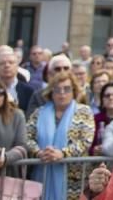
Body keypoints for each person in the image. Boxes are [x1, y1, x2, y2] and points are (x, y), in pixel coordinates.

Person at [25, 70, 94, 200]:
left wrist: (63, 154)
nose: (62, 93)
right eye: (57, 89)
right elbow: (27, 137)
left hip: (74, 179)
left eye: (67, 89)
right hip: (42, 175)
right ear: (51, 92)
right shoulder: (39, 113)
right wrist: (39, 152)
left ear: (74, 90)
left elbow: (85, 141)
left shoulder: (84, 111)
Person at [91, 82, 113, 154]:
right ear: (102, 100)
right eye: (107, 95)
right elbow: (88, 145)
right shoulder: (94, 120)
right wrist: (94, 149)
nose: (111, 98)